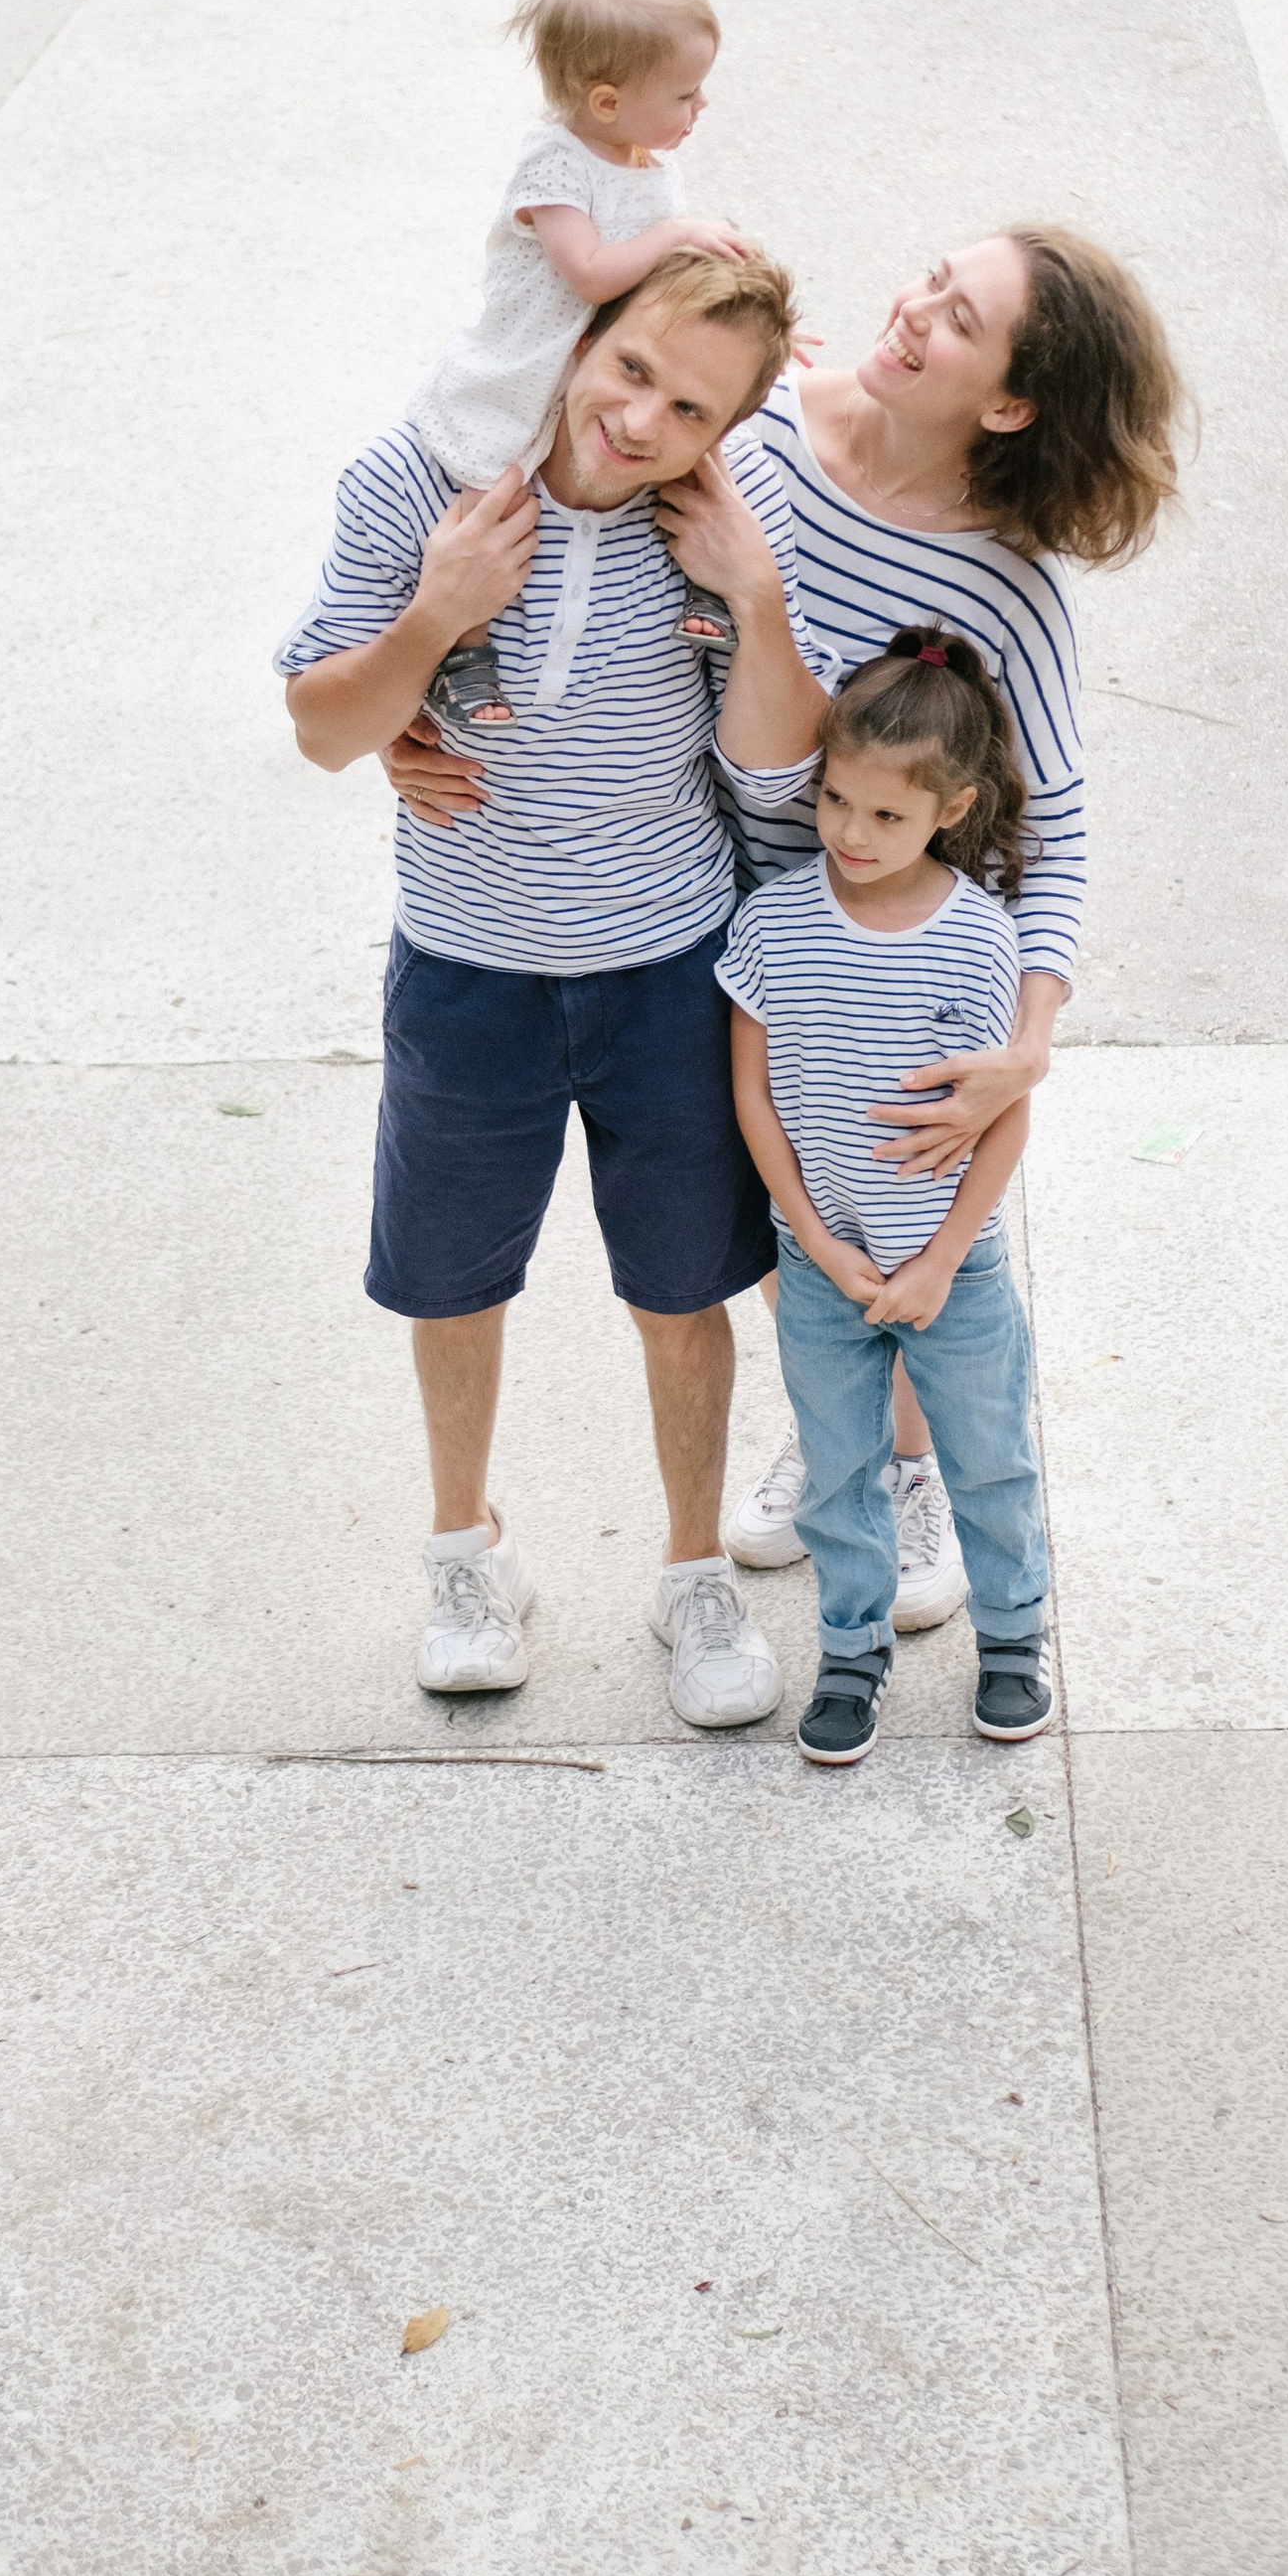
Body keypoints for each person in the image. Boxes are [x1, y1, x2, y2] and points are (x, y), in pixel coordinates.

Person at [383, 226, 1186, 1622]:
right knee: (773, 1220)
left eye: (960, 318)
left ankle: (911, 1469)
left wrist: (1029, 1045)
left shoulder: (1006, 588)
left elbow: (1050, 833)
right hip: (707, 915)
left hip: (886, 952)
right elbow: (587, 525)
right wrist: (415, 711)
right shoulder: (747, 432)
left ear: (1007, 404)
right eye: (933, 274)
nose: (914, 307)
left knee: (886, 1208)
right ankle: (843, 1443)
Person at [278, 243, 828, 1725]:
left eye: (693, 410)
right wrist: (437, 617)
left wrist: (757, 598)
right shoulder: (422, 480)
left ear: (729, 433)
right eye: (633, 368)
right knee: (451, 1284)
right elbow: (326, 731)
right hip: (468, 965)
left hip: (666, 965)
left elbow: (773, 767)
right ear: (584, 334)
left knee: (684, 1287)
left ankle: (693, 1573)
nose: (644, 421)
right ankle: (468, 1555)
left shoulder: (723, 517)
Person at [720, 633, 1052, 1766]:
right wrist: (812, 1238)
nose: (851, 835)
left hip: (950, 1271)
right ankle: (851, 1655)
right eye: (835, 802)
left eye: (885, 817)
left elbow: (1004, 1115)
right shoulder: (773, 923)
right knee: (840, 1470)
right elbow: (754, 1098)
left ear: (951, 809)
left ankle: (1013, 1638)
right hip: (821, 1267)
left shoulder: (976, 938)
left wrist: (938, 1262)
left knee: (988, 1455)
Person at [409, 0, 746, 749]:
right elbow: (591, 272)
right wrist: (675, 234)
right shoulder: (555, 163)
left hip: (609, 355)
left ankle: (708, 590)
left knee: (692, 447)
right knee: (490, 485)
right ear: (606, 100)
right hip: (533, 356)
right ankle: (464, 652)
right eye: (685, 92)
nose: (703, 104)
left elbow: (675, 273)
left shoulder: (646, 164)